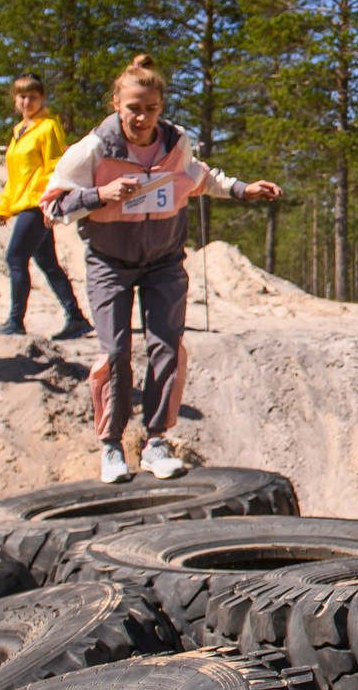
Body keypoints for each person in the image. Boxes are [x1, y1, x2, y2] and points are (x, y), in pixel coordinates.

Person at [41, 55, 281, 484]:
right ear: (117, 104)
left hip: (165, 261)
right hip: (110, 263)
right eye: (133, 107)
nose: (142, 117)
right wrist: (101, 193)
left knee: (167, 348)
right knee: (114, 353)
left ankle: (155, 441)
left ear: (161, 108)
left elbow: (199, 178)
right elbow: (53, 205)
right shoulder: (95, 148)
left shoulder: (176, 142)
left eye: (151, 109)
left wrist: (244, 190)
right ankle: (112, 446)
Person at [0, 73, 90, 340]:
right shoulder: (18, 132)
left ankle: (15, 321)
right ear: (15, 99)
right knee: (47, 263)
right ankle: (76, 318)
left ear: (42, 98)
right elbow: (15, 175)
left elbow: (54, 168)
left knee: (15, 258)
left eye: (32, 96)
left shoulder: (48, 127)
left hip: (39, 204)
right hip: (25, 204)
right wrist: (4, 206)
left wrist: (52, 202)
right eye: (22, 96)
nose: (26, 101)